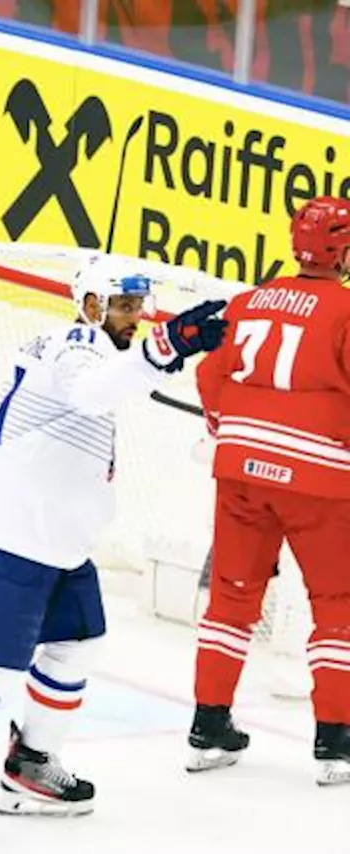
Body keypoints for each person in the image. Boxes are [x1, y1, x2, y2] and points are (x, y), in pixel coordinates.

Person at [0, 256, 228, 848]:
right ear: (90, 304)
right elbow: (93, 393)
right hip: (14, 535)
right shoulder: (75, 344)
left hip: (57, 541)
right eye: (124, 304)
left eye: (141, 306)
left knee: (77, 644)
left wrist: (169, 348)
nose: (137, 317)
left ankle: (30, 765)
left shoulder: (104, 352)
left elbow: (119, 380)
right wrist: (171, 342)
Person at [188, 195, 350, 786]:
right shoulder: (344, 309)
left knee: (231, 597)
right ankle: (335, 741)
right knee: (338, 604)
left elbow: (210, 374)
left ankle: (208, 726)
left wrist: (226, 429)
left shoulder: (250, 300)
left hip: (240, 470)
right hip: (318, 479)